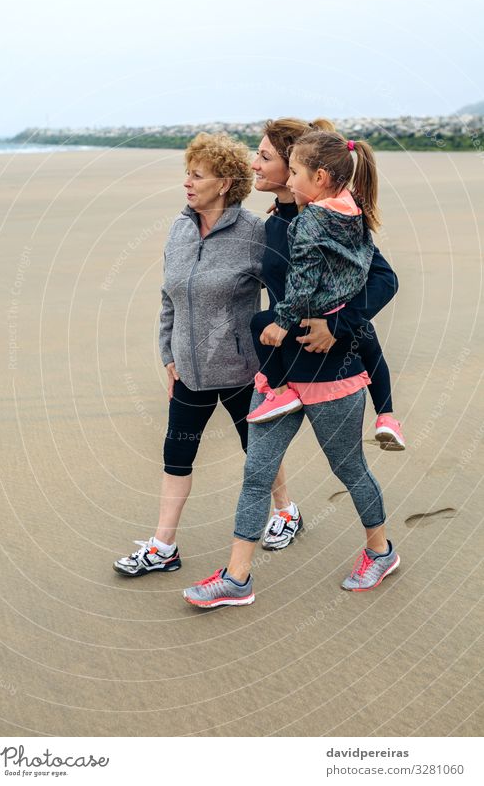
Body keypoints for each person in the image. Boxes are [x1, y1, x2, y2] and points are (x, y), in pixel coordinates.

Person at [183, 128, 401, 608]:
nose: (255, 166)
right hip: (279, 374)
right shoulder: (275, 222)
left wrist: (335, 324)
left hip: (331, 372)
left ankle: (380, 551)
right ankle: (237, 578)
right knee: (257, 473)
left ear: (296, 168)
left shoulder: (330, 219)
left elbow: (383, 279)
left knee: (349, 467)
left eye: (264, 157)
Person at [113, 132, 293, 577]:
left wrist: (278, 358)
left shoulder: (256, 232)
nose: (188, 183)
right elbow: (169, 296)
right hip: (188, 372)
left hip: (239, 369)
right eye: (187, 174)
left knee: (258, 451)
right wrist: (167, 353)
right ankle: (162, 546)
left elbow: (284, 297)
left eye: (198, 175)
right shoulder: (179, 227)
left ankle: (285, 512)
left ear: (226, 182)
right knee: (176, 455)